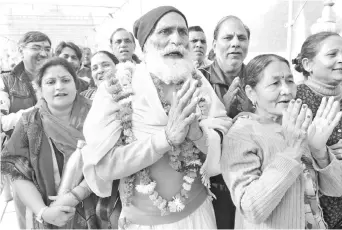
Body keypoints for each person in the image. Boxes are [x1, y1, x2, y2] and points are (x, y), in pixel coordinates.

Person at [81, 6, 231, 229]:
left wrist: (198, 135)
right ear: (145, 43)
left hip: (199, 214)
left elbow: (224, 135)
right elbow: (104, 165)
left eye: (182, 32)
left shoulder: (197, 81)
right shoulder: (119, 86)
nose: (176, 39)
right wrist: (165, 139)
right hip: (144, 222)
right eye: (165, 31)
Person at [222, 54, 342, 229]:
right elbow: (251, 210)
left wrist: (319, 152)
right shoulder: (241, 134)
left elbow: (338, 189)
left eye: (289, 81)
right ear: (251, 93)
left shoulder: (298, 125)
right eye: (275, 83)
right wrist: (292, 152)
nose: (286, 90)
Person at [0, 57, 97, 229]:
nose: (59, 86)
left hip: (94, 206)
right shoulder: (29, 122)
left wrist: (75, 195)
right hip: (44, 210)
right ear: (40, 89)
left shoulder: (97, 116)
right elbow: (17, 172)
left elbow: (110, 162)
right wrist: (43, 212)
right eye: (51, 82)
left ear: (76, 84)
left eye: (66, 80)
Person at [293, 31, 342, 228]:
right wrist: (321, 155)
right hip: (302, 216)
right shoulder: (292, 99)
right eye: (332, 54)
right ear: (308, 65)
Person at [199, 15, 252, 229]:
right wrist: (223, 108)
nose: (235, 43)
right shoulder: (198, 79)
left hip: (252, 180)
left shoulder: (259, 78)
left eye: (241, 38)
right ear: (214, 44)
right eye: (228, 37)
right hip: (212, 183)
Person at [0, 31, 52, 229]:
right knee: (28, 213)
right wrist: (35, 110)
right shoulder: (6, 81)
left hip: (53, 153)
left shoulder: (53, 76)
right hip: (22, 159)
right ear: (21, 50)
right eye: (36, 47)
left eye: (47, 48)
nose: (43, 53)